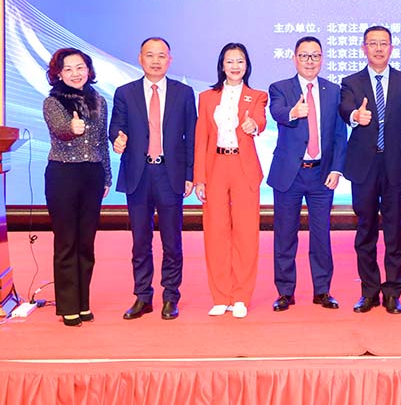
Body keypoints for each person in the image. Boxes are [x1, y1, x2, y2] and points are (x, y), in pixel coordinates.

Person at [110, 37, 197, 321]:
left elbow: (191, 136)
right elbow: (116, 127)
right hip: (139, 173)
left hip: (170, 174)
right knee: (140, 240)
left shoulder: (184, 93)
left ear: (170, 60)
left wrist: (190, 174)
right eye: (150, 55)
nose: (156, 61)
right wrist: (117, 139)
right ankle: (142, 296)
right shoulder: (125, 93)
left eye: (161, 55)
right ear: (140, 58)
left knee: (172, 241)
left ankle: (171, 296)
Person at [339, 25, 401, 314]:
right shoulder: (351, 82)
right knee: (365, 231)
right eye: (372, 43)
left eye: (383, 43)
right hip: (364, 167)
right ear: (364, 48)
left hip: (396, 168)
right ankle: (369, 292)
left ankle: (392, 293)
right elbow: (345, 109)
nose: (378, 48)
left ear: (391, 48)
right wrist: (355, 116)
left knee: (394, 232)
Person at [267, 37, 347, 312]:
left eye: (315, 56)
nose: (310, 61)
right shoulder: (280, 88)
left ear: (322, 59)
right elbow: (277, 112)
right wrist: (293, 112)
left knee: (321, 235)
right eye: (304, 56)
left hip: (321, 174)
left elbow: (339, 134)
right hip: (289, 175)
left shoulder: (333, 90)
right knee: (285, 235)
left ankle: (322, 290)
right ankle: (285, 292)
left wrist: (336, 168)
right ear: (294, 58)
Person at [194, 43, 267, 318]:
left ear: (247, 66)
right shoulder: (207, 97)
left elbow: (259, 120)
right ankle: (220, 296)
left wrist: (253, 126)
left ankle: (240, 297)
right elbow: (201, 138)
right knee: (215, 232)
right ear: (222, 66)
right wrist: (199, 178)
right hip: (215, 166)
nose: (235, 66)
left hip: (243, 167)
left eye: (240, 61)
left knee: (246, 233)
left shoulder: (257, 96)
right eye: (230, 61)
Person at [43, 48, 111, 327]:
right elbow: (60, 129)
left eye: (80, 67)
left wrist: (106, 177)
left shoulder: (99, 101)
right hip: (63, 174)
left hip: (92, 174)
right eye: (68, 69)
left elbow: (102, 142)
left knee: (86, 242)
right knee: (66, 241)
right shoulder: (52, 102)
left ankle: (83, 302)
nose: (75, 73)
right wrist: (72, 128)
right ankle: (68, 305)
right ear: (59, 73)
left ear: (88, 70)